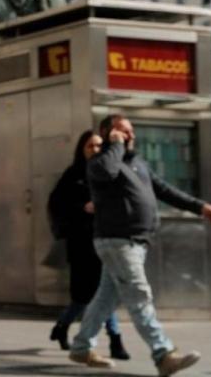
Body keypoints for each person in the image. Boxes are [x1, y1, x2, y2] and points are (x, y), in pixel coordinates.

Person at [69, 115, 211, 375]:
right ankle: (163, 353)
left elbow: (165, 191)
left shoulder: (137, 163)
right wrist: (115, 145)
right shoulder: (100, 162)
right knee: (139, 295)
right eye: (123, 131)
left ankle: (81, 346)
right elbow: (107, 171)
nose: (130, 135)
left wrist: (201, 207)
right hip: (117, 241)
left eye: (131, 131)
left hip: (134, 241)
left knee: (105, 298)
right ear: (109, 134)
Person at [47, 131, 128, 360]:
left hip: (107, 239)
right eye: (90, 146)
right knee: (84, 296)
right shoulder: (73, 175)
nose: (95, 150)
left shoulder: (108, 171)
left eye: (99, 146)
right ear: (82, 149)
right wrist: (82, 207)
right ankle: (65, 326)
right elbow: (57, 204)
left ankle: (114, 339)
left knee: (104, 291)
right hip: (82, 243)